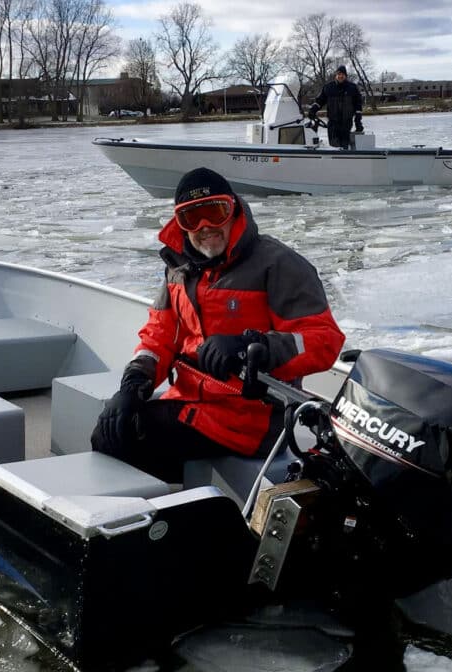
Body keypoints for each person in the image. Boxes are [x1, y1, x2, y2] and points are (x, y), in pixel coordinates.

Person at [91, 167, 345, 482]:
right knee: (113, 425)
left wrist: (253, 348)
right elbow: (159, 337)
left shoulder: (277, 263)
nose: (205, 227)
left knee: (115, 440)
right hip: (192, 404)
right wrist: (133, 385)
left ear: (233, 210)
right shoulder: (178, 269)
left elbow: (324, 339)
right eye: (191, 218)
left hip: (248, 419)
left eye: (215, 212)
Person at [308, 65, 364, 150]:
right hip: (333, 123)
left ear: (346, 75)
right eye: (339, 74)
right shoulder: (328, 87)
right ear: (336, 75)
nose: (340, 76)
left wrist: (358, 121)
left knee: (345, 147)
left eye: (343, 74)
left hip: (346, 123)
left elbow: (358, 105)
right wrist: (313, 110)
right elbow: (320, 101)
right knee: (334, 147)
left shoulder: (352, 88)